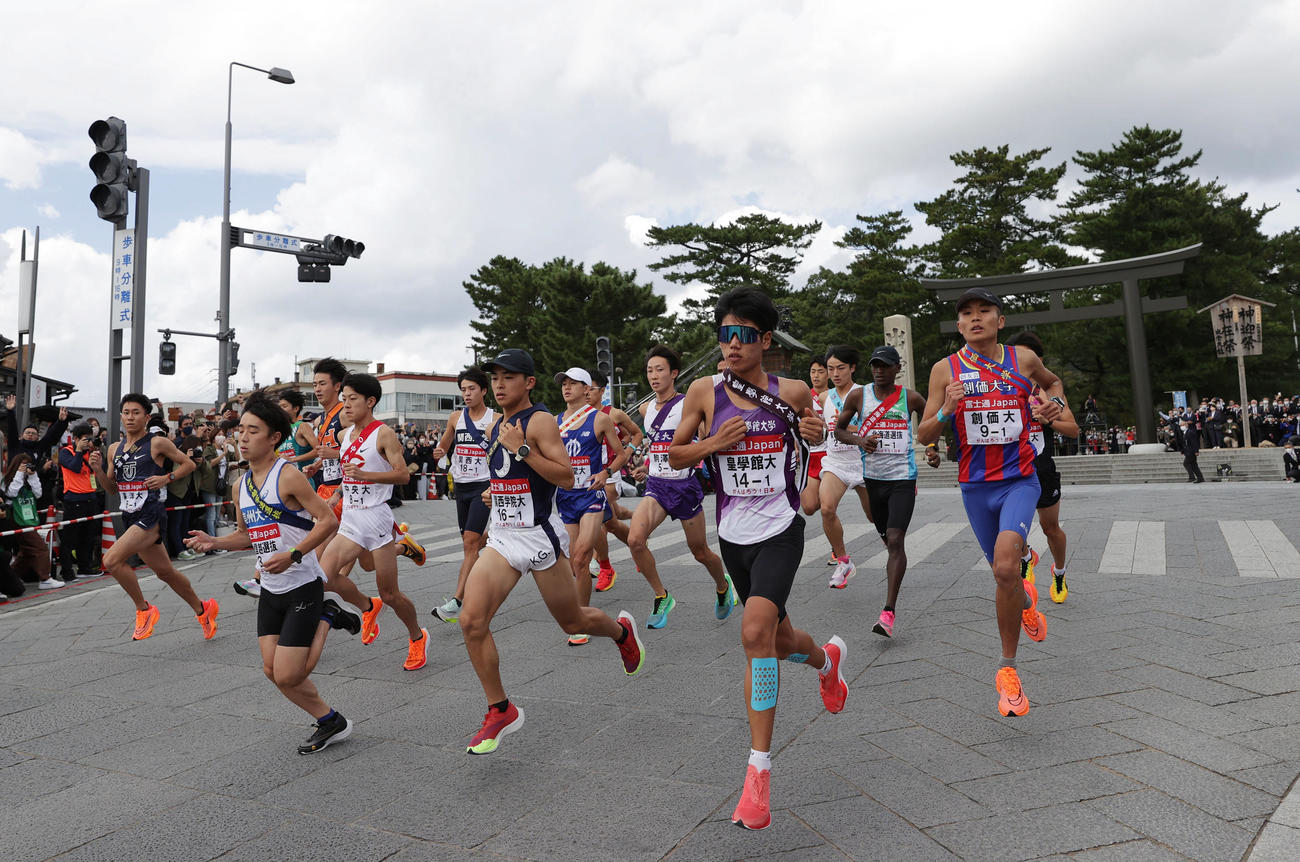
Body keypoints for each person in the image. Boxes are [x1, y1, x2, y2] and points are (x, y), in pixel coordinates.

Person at [669, 287, 847, 831]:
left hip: (781, 529)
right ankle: (826, 662)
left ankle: (758, 772)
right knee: (780, 638)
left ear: (765, 341)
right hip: (734, 534)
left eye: (743, 335)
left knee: (753, 634)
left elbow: (816, 439)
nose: (731, 345)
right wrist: (712, 444)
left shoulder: (793, 391)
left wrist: (817, 435)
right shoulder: (703, 391)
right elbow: (673, 453)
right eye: (724, 335)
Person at [458, 348, 644, 755]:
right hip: (504, 536)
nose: (500, 384)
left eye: (509, 377)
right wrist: (496, 490)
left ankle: (620, 632)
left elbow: (567, 475)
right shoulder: (498, 425)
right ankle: (500, 709)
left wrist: (523, 449)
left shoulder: (539, 421)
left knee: (572, 620)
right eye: (495, 378)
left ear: (528, 383)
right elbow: (510, 474)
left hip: (540, 536)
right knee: (472, 621)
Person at [184, 392, 362, 754]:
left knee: (289, 674)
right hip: (270, 589)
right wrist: (213, 542)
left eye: (253, 431)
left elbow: (327, 520)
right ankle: (331, 720)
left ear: (273, 438)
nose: (243, 438)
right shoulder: (240, 486)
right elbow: (247, 536)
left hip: (302, 585)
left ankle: (327, 615)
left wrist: (295, 554)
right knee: (271, 670)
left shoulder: (289, 477)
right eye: (241, 431)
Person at [917, 288, 1064, 718]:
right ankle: (1025, 600)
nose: (975, 318)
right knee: (1006, 579)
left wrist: (1052, 404)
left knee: (1004, 567)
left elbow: (1052, 382)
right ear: (958, 325)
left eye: (984, 311)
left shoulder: (1022, 360)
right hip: (975, 487)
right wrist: (945, 409)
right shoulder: (945, 369)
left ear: (1000, 320)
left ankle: (1007, 670)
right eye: (966, 313)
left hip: (1020, 478)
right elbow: (924, 435)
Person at [317, 373, 430, 671]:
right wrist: (337, 495)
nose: (346, 406)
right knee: (325, 576)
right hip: (352, 516)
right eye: (343, 400)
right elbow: (348, 472)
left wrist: (367, 476)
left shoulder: (383, 434)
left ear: (370, 401)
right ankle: (368, 606)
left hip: (376, 516)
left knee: (390, 593)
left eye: (352, 399)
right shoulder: (344, 436)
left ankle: (417, 637)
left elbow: (403, 474)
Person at [88, 393, 219, 641]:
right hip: (130, 515)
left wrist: (165, 478)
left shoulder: (157, 443)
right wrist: (96, 470)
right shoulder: (114, 449)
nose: (130, 417)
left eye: (135, 412)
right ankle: (204, 610)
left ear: (146, 417)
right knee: (165, 572)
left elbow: (188, 464)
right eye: (126, 412)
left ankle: (144, 610)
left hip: (151, 514)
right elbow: (112, 488)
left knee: (112, 560)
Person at [628, 344, 737, 628]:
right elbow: (657, 446)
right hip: (657, 486)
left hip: (684, 486)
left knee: (700, 551)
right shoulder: (646, 407)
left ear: (674, 373)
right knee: (635, 540)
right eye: (650, 370)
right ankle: (662, 596)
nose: (654, 376)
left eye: (660, 370)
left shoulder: (688, 403)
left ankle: (723, 587)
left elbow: (703, 438)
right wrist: (647, 465)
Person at [831, 345, 933, 638]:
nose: (878, 370)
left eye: (885, 365)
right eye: (875, 364)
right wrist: (860, 440)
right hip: (873, 480)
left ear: (896, 369)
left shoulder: (910, 397)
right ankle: (894, 561)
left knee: (896, 539)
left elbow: (930, 427)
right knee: (888, 539)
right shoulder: (859, 396)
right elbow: (838, 430)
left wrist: (930, 449)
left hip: (903, 479)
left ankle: (888, 611)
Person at [554, 366, 630, 644]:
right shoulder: (554, 422)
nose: (566, 387)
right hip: (565, 497)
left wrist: (606, 473)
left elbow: (620, 454)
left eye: (573, 383)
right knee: (575, 561)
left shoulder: (599, 419)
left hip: (591, 496)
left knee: (582, 555)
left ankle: (581, 620)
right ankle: (578, 611)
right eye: (564, 383)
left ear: (587, 389)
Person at [1005, 331, 1080, 604]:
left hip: (1042, 467)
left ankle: (1059, 572)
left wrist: (1048, 419)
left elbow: (1073, 429)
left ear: (1039, 360)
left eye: (1026, 356)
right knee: (1012, 528)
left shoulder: (1049, 393)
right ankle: (1026, 557)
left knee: (1050, 528)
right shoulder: (1002, 389)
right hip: (1011, 469)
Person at [430, 366, 495, 623]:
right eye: (463, 390)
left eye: (471, 389)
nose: (467, 394)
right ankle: (500, 539)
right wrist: (439, 452)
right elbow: (444, 445)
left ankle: (457, 601)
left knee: (470, 543)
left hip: (484, 486)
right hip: (461, 485)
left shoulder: (495, 418)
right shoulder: (456, 418)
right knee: (472, 543)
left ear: (483, 391)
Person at [818, 345, 872, 588]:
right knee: (826, 508)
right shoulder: (823, 397)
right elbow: (822, 432)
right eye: (831, 369)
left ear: (852, 368)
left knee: (875, 517)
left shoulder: (866, 393)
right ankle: (843, 561)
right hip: (836, 461)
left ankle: (893, 550)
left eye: (841, 368)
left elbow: (874, 429)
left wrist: (847, 429)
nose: (835, 373)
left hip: (862, 461)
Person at [585, 371, 641, 590]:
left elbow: (635, 433)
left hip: (610, 474)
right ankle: (639, 546)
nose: (586, 392)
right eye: (584, 387)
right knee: (612, 522)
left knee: (596, 517)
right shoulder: (577, 416)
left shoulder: (614, 414)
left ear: (601, 391)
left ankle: (604, 566)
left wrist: (627, 452)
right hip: (586, 476)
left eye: (591, 388)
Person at [2, 454, 61, 589]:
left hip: (29, 518)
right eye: (23, 465)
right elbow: (11, 493)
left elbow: (38, 494)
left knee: (27, 553)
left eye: (28, 464)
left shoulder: (29, 479)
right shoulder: (8, 480)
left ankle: (10, 576)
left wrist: (33, 475)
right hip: (16, 519)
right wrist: (19, 474)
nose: (26, 467)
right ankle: (45, 578)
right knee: (41, 548)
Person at [59, 423, 103, 580]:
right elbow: (75, 467)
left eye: (89, 439)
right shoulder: (65, 452)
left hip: (91, 498)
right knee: (69, 538)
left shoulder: (89, 453)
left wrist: (95, 454)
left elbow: (97, 471)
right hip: (74, 499)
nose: (88, 442)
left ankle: (84, 567)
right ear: (76, 439)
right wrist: (78, 450)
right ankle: (67, 571)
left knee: (88, 537)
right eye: (85, 439)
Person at [800, 356, 830, 519]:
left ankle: (837, 545)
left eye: (820, 371)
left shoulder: (836, 397)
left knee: (828, 506)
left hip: (831, 455)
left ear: (828, 374)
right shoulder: (803, 397)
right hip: (810, 455)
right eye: (813, 371)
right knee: (809, 507)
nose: (816, 375)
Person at [276, 389, 320, 472]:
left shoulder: (302, 426)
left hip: (303, 478)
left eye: (284, 406)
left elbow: (318, 451)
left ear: (296, 408)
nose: (280, 410)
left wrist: (293, 459)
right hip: (286, 479)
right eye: (279, 407)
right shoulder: (281, 430)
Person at [1181, 416, 1205, 483]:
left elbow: (1194, 442)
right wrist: (1183, 450)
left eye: (1185, 424)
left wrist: (1196, 451)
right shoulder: (1187, 432)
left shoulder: (1191, 432)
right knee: (1194, 465)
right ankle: (1199, 478)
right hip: (1188, 451)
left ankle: (1192, 477)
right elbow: (1185, 443)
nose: (1183, 425)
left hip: (1191, 451)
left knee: (1186, 463)